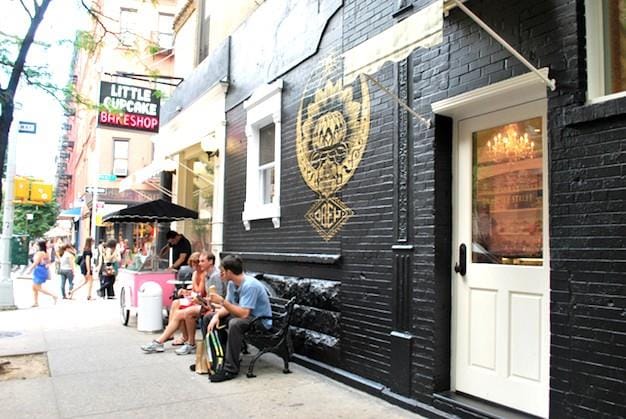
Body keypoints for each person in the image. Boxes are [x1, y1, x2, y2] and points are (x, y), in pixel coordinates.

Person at [202, 255, 272, 382]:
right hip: (245, 316)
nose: (220, 274)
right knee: (208, 318)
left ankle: (230, 369)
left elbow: (244, 313)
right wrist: (216, 315)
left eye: (222, 271)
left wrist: (222, 301)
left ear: (229, 272)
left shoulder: (250, 285)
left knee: (235, 324)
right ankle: (217, 360)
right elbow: (229, 306)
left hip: (259, 321)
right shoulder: (231, 284)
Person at [141, 251, 221, 355]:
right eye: (198, 262)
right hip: (205, 304)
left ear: (210, 262)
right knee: (177, 305)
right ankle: (170, 339)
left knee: (184, 312)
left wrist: (199, 298)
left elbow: (214, 298)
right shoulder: (207, 274)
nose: (199, 264)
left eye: (202, 261)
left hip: (211, 307)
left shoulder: (212, 275)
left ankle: (169, 341)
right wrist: (194, 295)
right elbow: (205, 295)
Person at [25, 240, 58, 307]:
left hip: (39, 270)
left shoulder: (39, 253)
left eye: (36, 245)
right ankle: (36, 302)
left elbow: (36, 262)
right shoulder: (45, 253)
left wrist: (29, 270)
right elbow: (48, 261)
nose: (35, 246)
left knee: (37, 287)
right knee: (34, 287)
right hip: (43, 270)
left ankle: (53, 295)